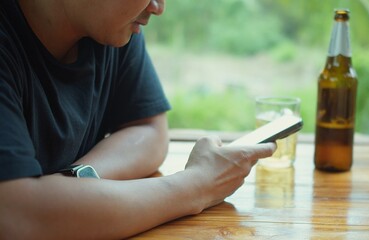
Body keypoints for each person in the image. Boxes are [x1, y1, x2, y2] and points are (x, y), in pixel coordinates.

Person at [0, 0, 276, 239]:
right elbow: (15, 215)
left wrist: (74, 181)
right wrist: (196, 185)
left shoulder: (108, 26)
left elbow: (148, 129)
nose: (158, 7)